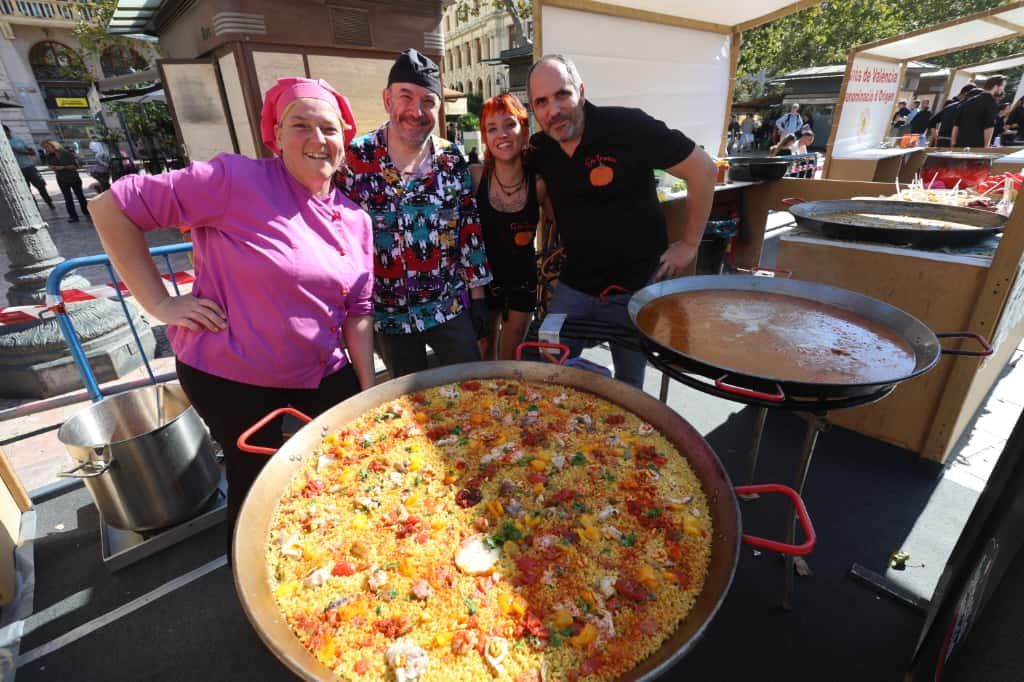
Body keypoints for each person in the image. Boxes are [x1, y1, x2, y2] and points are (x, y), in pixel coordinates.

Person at [88, 77, 375, 556]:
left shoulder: (355, 218)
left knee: (339, 466)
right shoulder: (234, 180)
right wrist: (159, 304)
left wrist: (369, 392)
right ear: (276, 136)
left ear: (344, 139)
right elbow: (112, 207)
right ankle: (251, 580)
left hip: (322, 371)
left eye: (329, 128)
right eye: (300, 125)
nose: (317, 139)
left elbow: (358, 312)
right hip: (234, 377)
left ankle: (331, 562)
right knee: (258, 484)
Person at [527, 54, 715, 388]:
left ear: (581, 92)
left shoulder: (628, 127)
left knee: (631, 387)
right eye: (541, 102)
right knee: (549, 354)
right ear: (533, 109)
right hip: (576, 284)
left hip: (635, 286)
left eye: (562, 95)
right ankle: (597, 383)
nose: (553, 110)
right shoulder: (541, 147)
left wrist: (689, 245)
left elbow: (702, 169)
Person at [340, 49, 492, 378]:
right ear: (387, 100)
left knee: (472, 387)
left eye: (428, 101)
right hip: (388, 316)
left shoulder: (451, 159)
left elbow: (469, 228)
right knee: (407, 410)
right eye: (405, 97)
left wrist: (478, 297)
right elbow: (338, 236)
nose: (416, 111)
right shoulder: (355, 159)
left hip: (447, 308)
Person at [469, 93, 550, 361]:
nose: (501, 134)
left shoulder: (538, 183)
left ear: (525, 131)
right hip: (483, 283)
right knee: (483, 350)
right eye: (492, 128)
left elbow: (560, 226)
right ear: (485, 139)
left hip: (522, 281)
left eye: (510, 125)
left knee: (512, 354)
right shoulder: (475, 177)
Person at [4, 125, 55, 210]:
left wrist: (22, 151)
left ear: (8, 131)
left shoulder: (18, 140)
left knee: (41, 186)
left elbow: (32, 152)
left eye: (5, 131)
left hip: (29, 167)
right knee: (26, 190)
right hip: (17, 170)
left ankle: (49, 203)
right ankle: (34, 207)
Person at [952, 75, 1006, 148]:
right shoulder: (991, 103)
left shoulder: (969, 101)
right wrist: (986, 147)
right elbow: (989, 127)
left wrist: (953, 144)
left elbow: (956, 125)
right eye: (1003, 86)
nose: (1003, 90)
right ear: (996, 86)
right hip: (976, 148)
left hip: (960, 145)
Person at [41, 140, 89, 223]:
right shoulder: (49, 156)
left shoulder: (66, 153)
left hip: (73, 178)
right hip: (61, 179)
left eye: (47, 147)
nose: (46, 149)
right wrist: (53, 168)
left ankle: (86, 212)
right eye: (45, 147)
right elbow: (50, 166)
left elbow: (75, 166)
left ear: (54, 145)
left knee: (80, 196)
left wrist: (62, 167)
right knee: (68, 198)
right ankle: (73, 216)